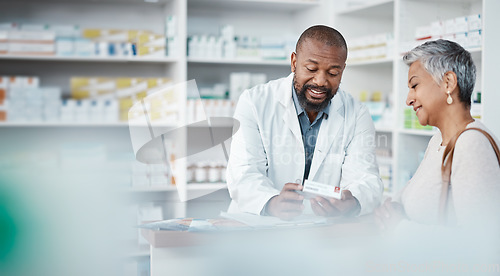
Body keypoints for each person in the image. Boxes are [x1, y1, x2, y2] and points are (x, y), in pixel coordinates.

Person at [226, 25, 383, 220]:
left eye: (333, 73)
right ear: (294, 62)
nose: (320, 81)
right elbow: (243, 174)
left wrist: (353, 201)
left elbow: (366, 178)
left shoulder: (357, 113)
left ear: (342, 70)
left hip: (321, 233)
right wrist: (271, 202)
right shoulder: (254, 102)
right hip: (258, 226)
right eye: (311, 69)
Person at [375, 39, 500, 231]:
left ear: (448, 83)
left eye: (414, 85)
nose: (408, 99)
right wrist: (393, 207)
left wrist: (400, 228)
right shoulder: (438, 141)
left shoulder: (471, 144)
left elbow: (479, 242)